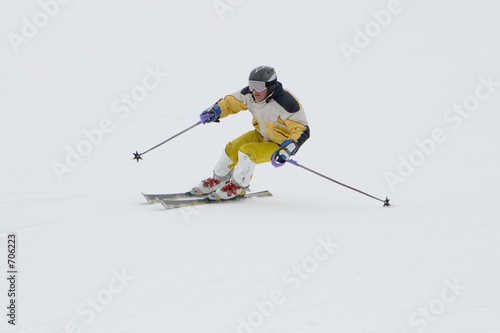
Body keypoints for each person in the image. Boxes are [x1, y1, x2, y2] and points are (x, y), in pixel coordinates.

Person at [190, 66, 310, 200]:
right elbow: (231, 103)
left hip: (279, 144)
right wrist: (216, 110)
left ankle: (239, 186)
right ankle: (220, 179)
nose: (255, 91)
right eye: (252, 85)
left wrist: (287, 149)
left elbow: (301, 129)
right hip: (261, 135)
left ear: (270, 86)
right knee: (232, 148)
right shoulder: (250, 95)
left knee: (247, 152)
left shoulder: (287, 103)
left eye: (259, 86)